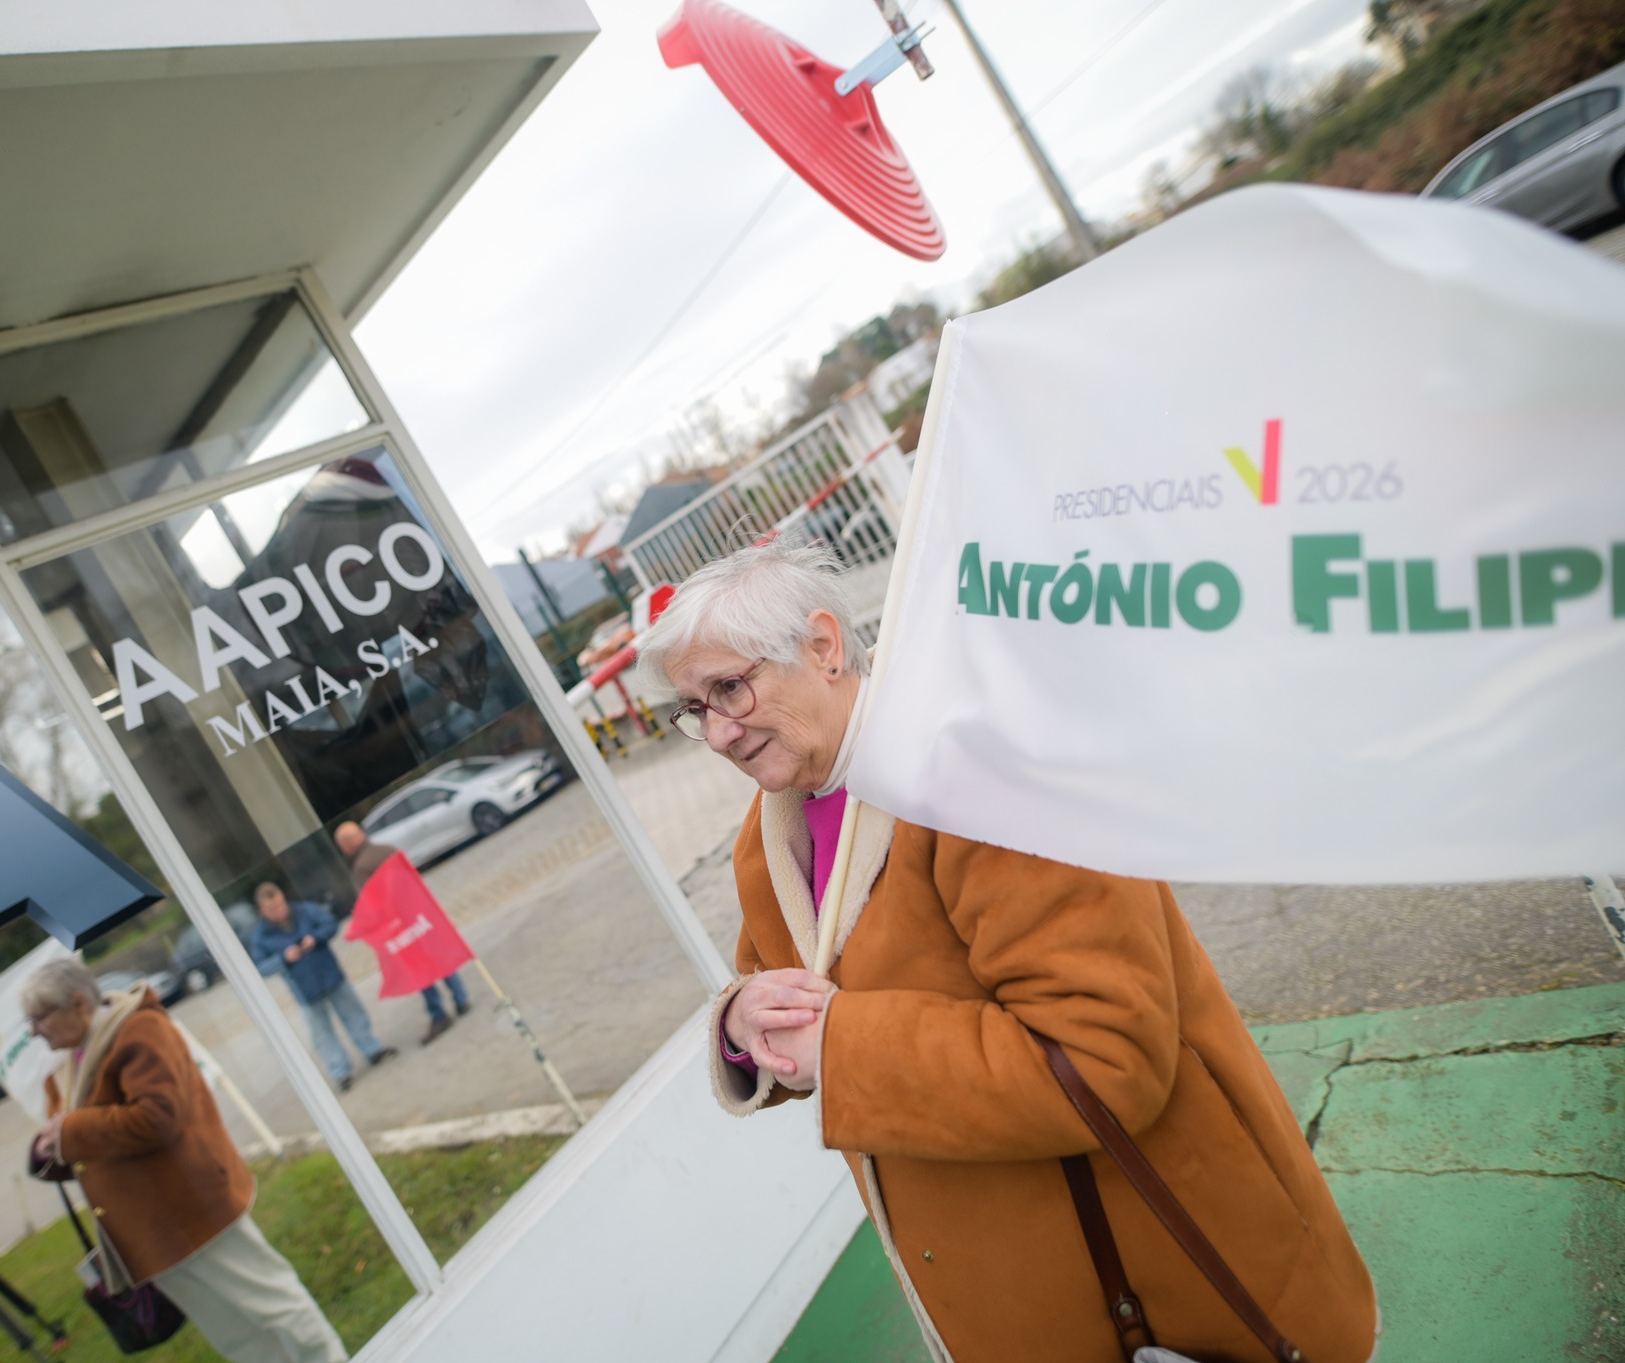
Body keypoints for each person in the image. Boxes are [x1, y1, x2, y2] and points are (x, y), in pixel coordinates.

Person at [638, 536, 1378, 1363]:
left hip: (1152, 1278)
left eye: (729, 687)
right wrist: (744, 1024)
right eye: (693, 708)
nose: (716, 733)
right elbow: (785, 995)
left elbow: (1107, 1055)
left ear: (823, 646)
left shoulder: (992, 771)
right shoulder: (767, 837)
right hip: (1000, 1293)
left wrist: (844, 1045)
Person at [21, 958, 345, 1363]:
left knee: (276, 1307)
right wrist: (51, 1146)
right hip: (151, 1233)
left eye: (39, 1018)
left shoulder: (139, 1028)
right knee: (235, 1335)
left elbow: (158, 1118)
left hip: (195, 1209)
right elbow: (85, 1141)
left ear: (78, 1003)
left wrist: (71, 1132)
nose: (34, 1031)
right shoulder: (69, 1061)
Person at [247, 883, 396, 1090]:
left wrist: (315, 938)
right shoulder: (260, 936)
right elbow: (260, 967)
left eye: (280, 904)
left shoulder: (305, 910)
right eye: (272, 908)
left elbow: (330, 923)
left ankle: (373, 1050)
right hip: (304, 990)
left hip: (330, 975)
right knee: (321, 1033)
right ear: (262, 910)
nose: (279, 911)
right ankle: (341, 1072)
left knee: (354, 1013)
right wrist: (283, 958)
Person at [334, 821, 471, 1043]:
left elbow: (373, 903)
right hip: (417, 915)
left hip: (398, 927)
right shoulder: (387, 849)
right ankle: (461, 998)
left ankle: (438, 1014)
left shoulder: (361, 867)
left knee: (419, 969)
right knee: (437, 957)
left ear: (347, 845)